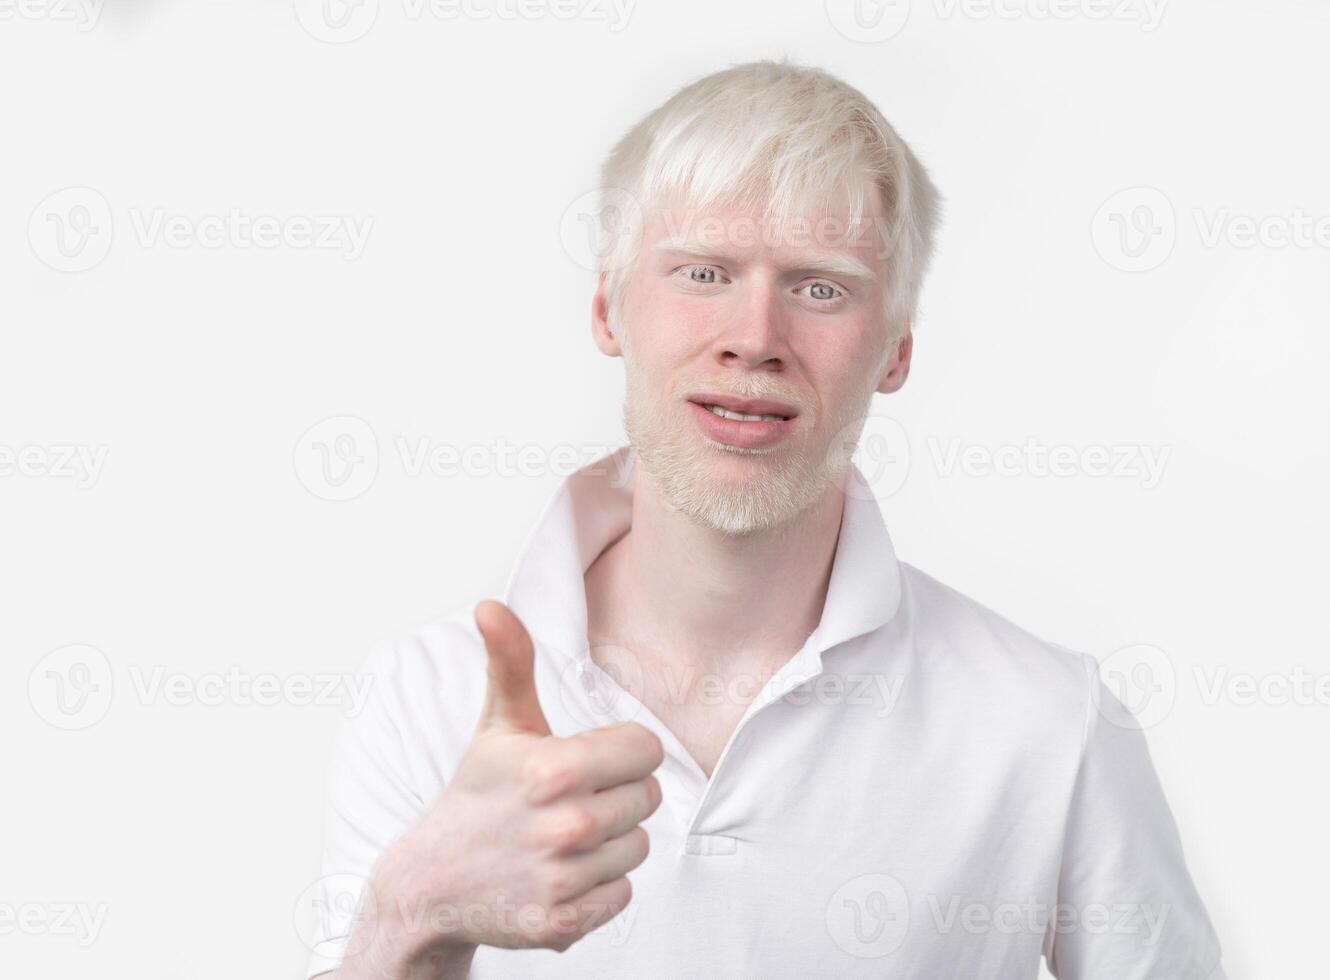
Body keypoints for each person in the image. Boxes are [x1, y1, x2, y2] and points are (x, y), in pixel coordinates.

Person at [305, 58, 1227, 979]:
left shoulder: (1048, 722)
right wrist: (413, 912)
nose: (754, 336)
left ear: (897, 348)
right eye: (703, 272)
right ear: (606, 308)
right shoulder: (429, 697)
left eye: (819, 287)